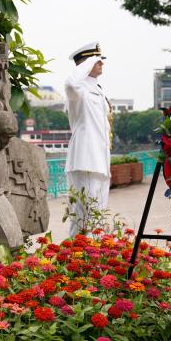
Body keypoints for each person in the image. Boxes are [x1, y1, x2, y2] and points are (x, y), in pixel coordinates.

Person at [64, 42, 112, 235]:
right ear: (85, 63)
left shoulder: (98, 89)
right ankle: (79, 256)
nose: (101, 63)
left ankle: (96, 257)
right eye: (97, 60)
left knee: (98, 214)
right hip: (85, 159)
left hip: (100, 159)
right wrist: (84, 66)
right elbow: (69, 83)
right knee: (84, 214)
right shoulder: (78, 89)